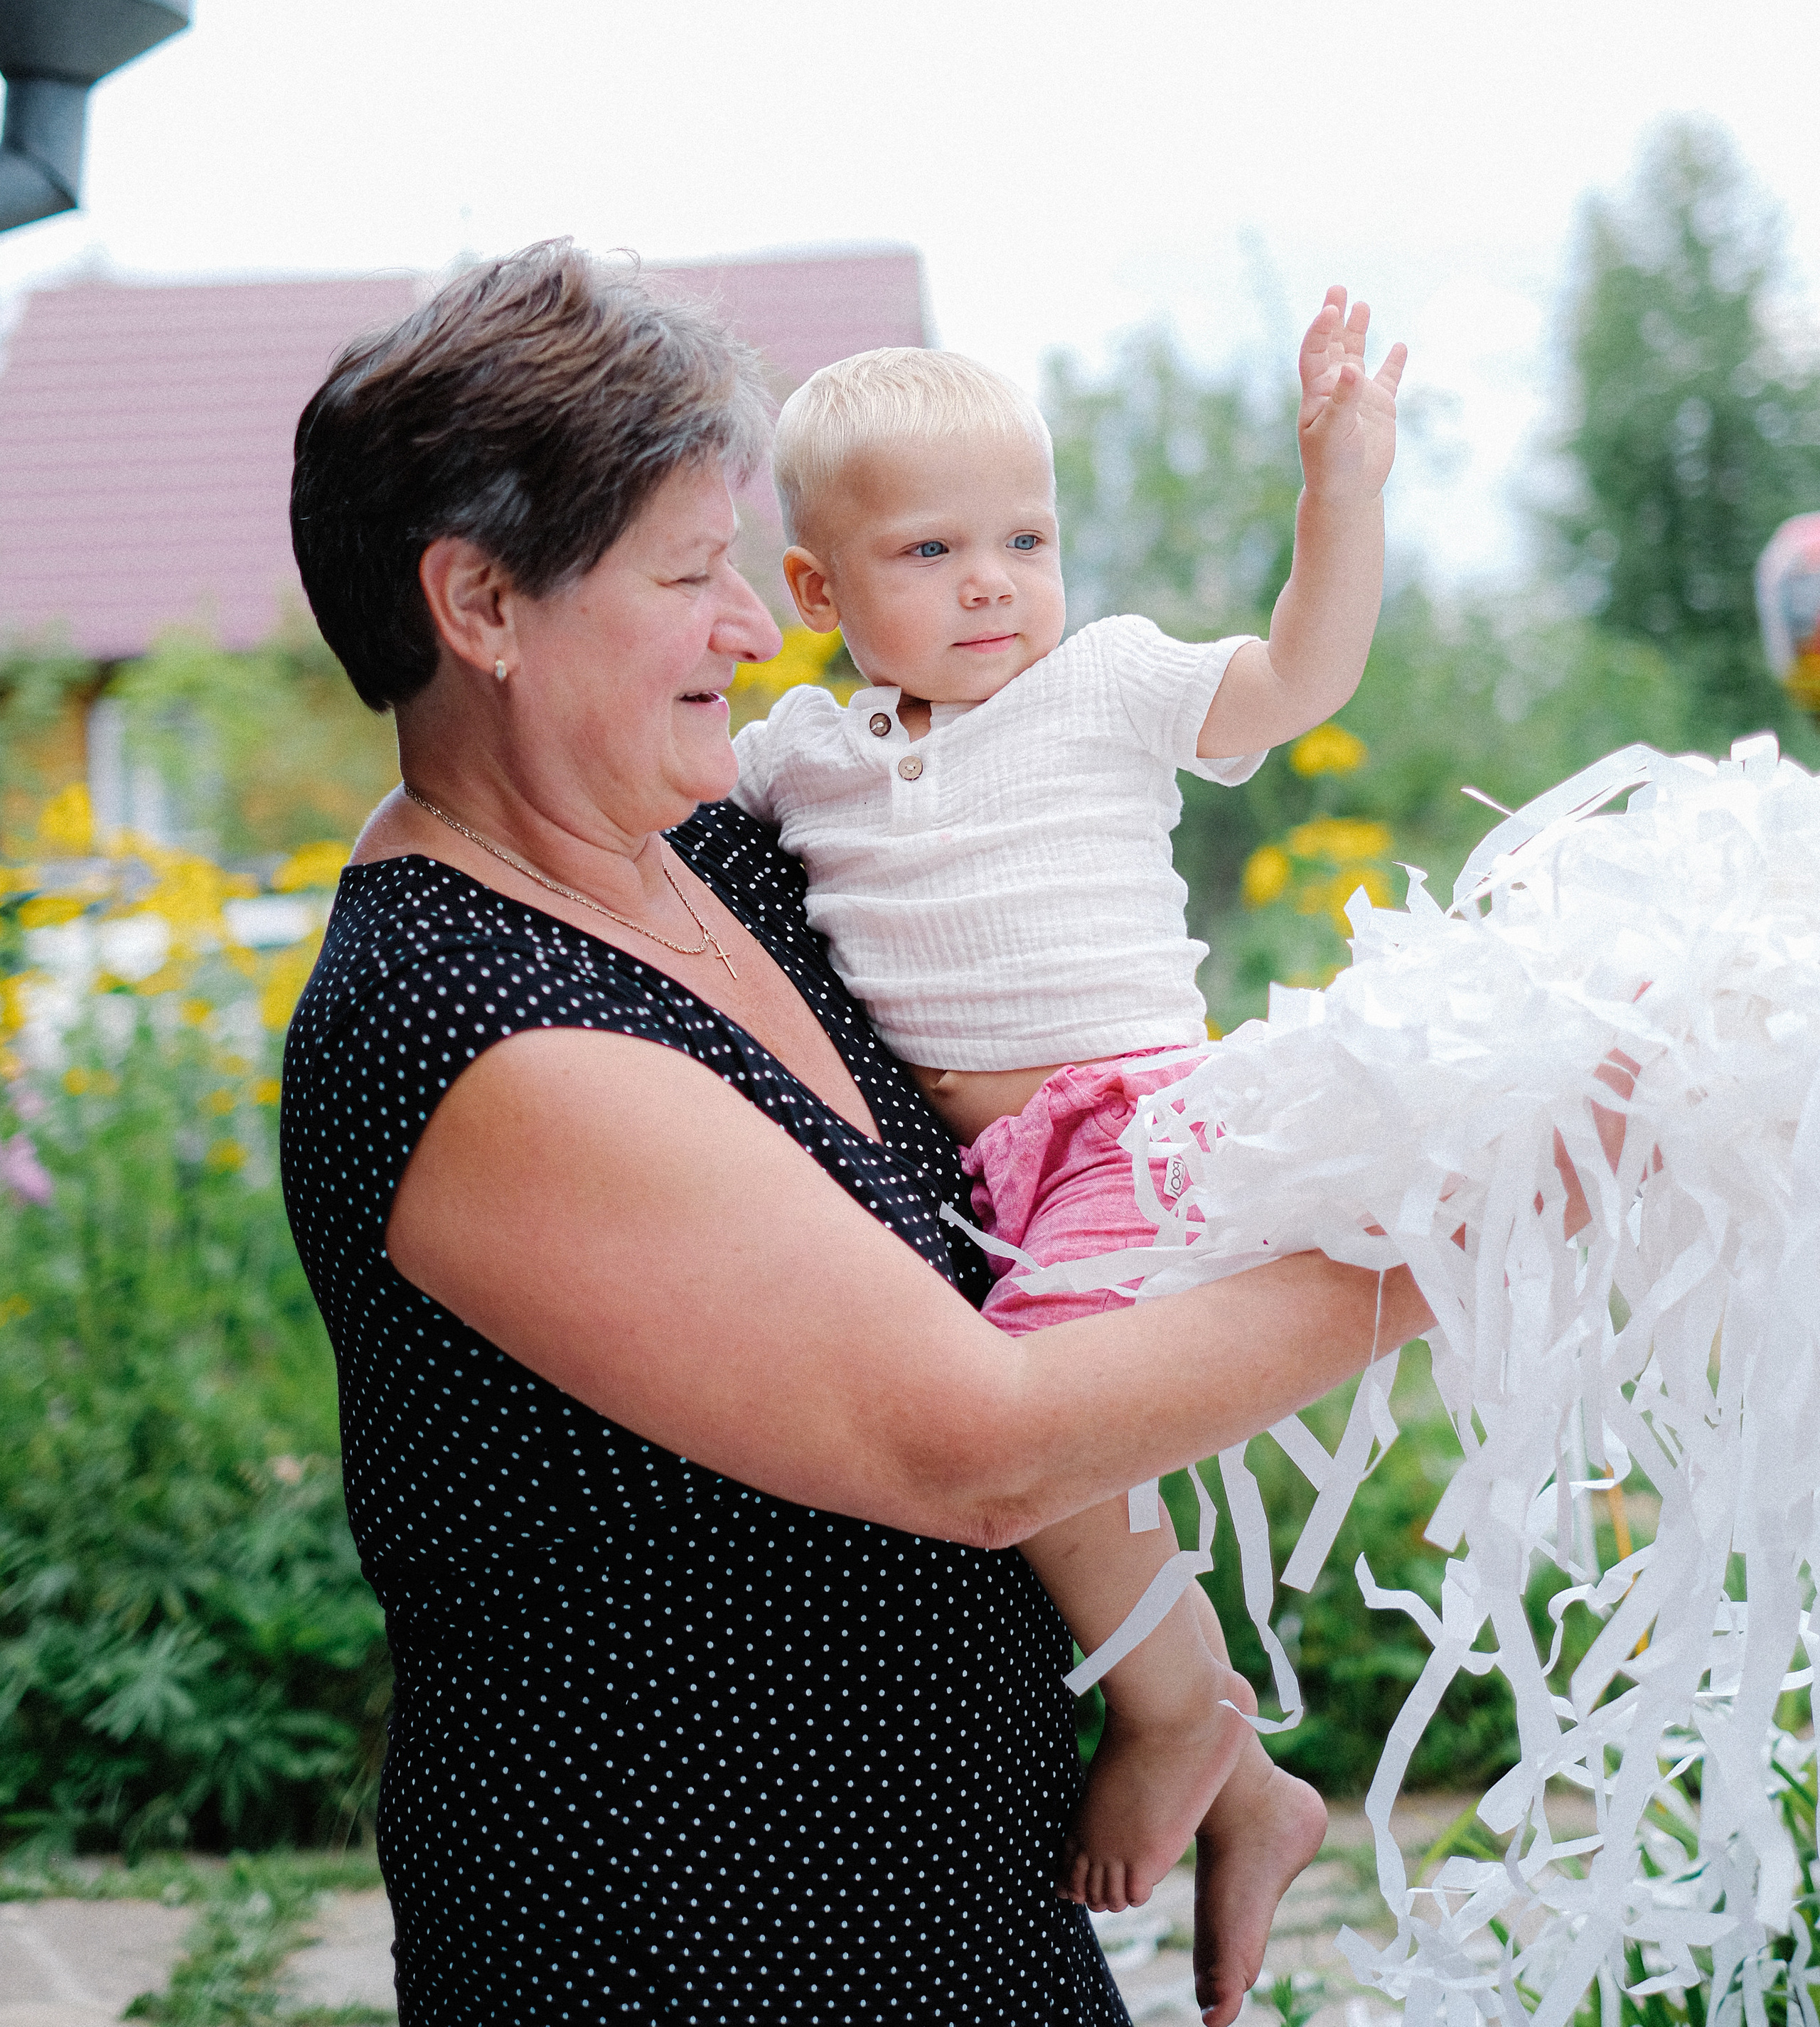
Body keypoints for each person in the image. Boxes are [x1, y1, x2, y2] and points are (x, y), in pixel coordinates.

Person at [282, 242, 1433, 2027]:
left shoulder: (740, 864)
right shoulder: (471, 1024)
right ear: (479, 608)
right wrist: (1468, 1222)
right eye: (690, 573)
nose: (754, 628)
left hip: (963, 1899)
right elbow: (977, 1446)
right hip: (695, 1945)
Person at [730, 302, 1404, 1927]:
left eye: (1023, 538)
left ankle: (1180, 1715)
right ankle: (1254, 1794)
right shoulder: (802, 757)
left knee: (1031, 1424)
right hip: (982, 1177)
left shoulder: (1103, 686)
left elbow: (1302, 672)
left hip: (1139, 1125)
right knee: (1056, 1451)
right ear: (816, 596)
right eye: (930, 549)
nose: (990, 581)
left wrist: (1342, 491)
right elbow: (638, 799)